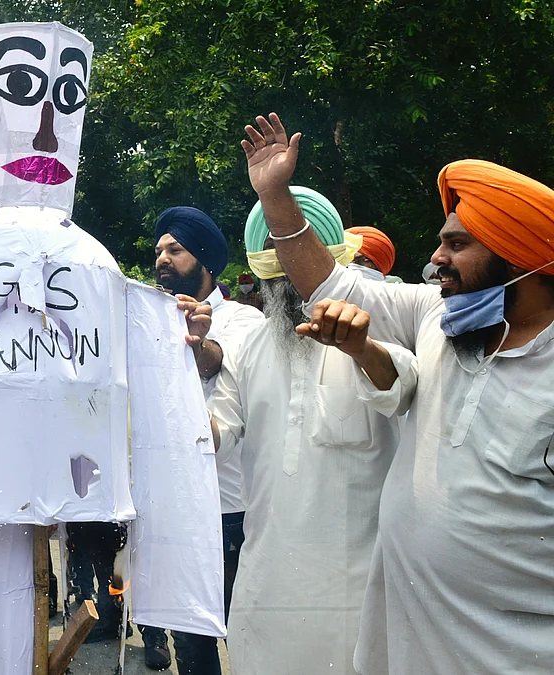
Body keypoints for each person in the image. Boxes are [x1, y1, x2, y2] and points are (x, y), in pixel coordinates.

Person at [241, 112, 554, 675]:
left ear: (523, 260)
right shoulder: (441, 317)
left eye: (456, 245)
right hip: (408, 640)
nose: (436, 260)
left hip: (513, 655)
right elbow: (331, 284)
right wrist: (275, 198)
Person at [207, 185, 417, 675]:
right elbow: (215, 432)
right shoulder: (249, 344)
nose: (292, 280)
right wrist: (170, 372)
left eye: (302, 264)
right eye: (279, 269)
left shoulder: (379, 331)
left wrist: (361, 348)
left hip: (361, 589)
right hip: (268, 585)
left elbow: (401, 387)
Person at [142, 206, 264, 674]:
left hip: (228, 510)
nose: (162, 259)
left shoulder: (241, 321)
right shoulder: (150, 319)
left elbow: (215, 364)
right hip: (173, 507)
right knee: (192, 646)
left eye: (176, 250)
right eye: (159, 251)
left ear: (207, 262)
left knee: (245, 636)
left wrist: (197, 340)